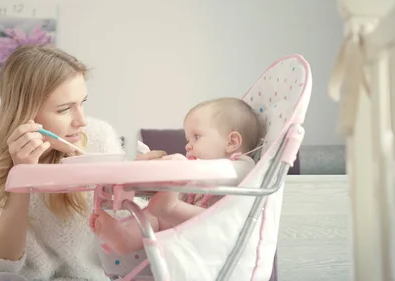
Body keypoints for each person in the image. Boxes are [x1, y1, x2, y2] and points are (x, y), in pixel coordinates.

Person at [0, 45, 165, 281]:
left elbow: (124, 233)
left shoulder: (97, 136)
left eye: (82, 102)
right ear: (26, 113)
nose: (81, 121)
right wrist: (22, 177)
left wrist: (137, 183)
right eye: (64, 109)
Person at [89, 97, 265, 255]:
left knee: (166, 207)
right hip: (190, 232)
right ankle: (127, 238)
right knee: (154, 212)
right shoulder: (197, 173)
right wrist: (157, 171)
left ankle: (169, 208)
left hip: (220, 233)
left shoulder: (244, 165)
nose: (188, 146)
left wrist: (184, 169)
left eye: (196, 137)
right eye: (187, 140)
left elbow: (220, 174)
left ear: (231, 142)